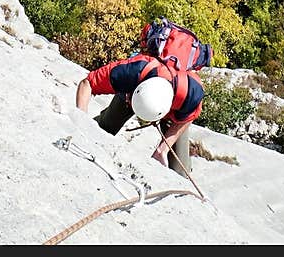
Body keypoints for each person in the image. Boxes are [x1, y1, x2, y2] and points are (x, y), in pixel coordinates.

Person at [75, 52, 204, 174]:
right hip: (132, 94)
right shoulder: (132, 71)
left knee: (179, 169)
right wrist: (81, 123)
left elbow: (188, 117)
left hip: (172, 103)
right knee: (105, 126)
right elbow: (87, 83)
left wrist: (163, 149)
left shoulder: (190, 93)